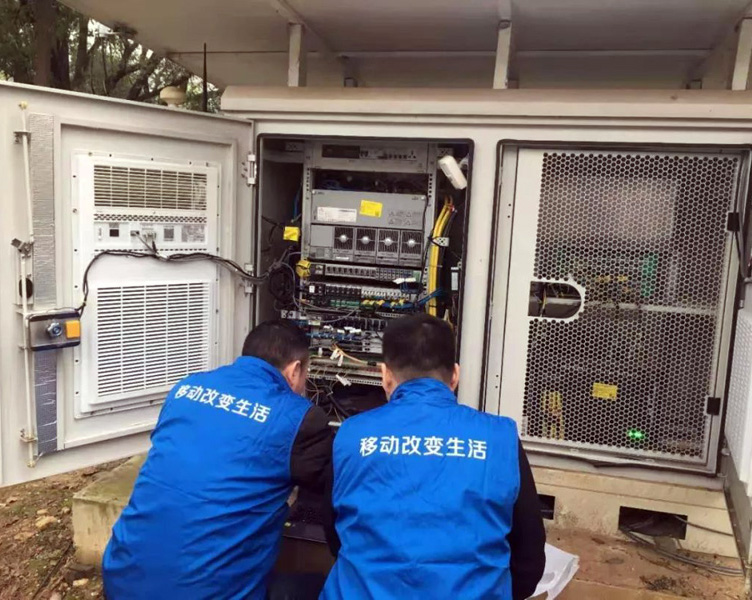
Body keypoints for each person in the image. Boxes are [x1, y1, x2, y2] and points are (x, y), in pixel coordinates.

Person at [321, 314, 546, 600]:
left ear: (385, 375)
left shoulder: (351, 435)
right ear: (455, 376)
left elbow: (334, 533)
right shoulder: (500, 437)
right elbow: (529, 558)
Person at [102, 320, 332, 600]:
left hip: (121, 579)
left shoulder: (186, 388)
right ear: (295, 370)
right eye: (306, 374)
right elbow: (334, 488)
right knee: (323, 585)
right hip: (207, 594)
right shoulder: (298, 417)